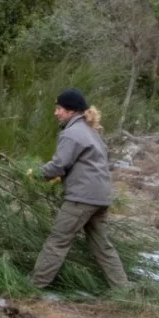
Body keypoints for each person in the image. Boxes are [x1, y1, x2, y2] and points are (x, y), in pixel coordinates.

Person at [30, 88, 129, 290]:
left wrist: (35, 174)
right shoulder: (91, 131)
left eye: (59, 108)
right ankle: (123, 289)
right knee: (102, 246)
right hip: (101, 197)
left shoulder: (72, 133)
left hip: (82, 199)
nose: (56, 113)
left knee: (57, 241)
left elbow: (59, 165)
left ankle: (34, 286)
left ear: (71, 110)